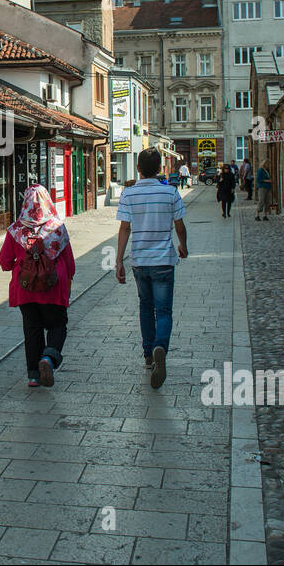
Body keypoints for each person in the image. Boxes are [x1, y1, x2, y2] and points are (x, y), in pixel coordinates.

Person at [115, 147, 189, 389]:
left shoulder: (128, 194)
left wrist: (119, 261)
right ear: (160, 169)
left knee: (145, 308)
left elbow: (124, 229)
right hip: (164, 261)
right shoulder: (171, 193)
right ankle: (160, 347)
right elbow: (179, 225)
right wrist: (183, 246)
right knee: (164, 311)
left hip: (140, 261)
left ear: (138, 169)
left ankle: (148, 356)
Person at [0, 184, 76, 388]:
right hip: (53, 286)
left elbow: (4, 262)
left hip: (25, 287)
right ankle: (48, 358)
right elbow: (70, 264)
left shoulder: (16, 229)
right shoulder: (57, 227)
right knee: (58, 325)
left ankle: (33, 375)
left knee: (32, 328)